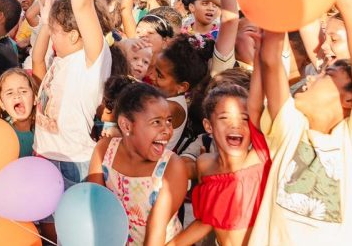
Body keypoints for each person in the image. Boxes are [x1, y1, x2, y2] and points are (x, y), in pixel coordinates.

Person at [250, 0, 352, 244]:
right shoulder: (290, 129)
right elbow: (271, 60)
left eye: (326, 75)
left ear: (349, 98)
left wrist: (347, 1)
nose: (311, 78)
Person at [32, 0, 112, 242]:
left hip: (73, 164)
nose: (50, 37)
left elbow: (82, 4)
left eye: (55, 32)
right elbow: (37, 60)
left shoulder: (91, 61)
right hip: (45, 157)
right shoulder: (60, 60)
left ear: (77, 36)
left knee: (71, 236)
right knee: (49, 235)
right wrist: (48, 8)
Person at [170, 58, 268, 246]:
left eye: (244, 118)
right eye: (224, 117)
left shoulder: (259, 159)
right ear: (208, 125)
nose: (235, 124)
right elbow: (208, 218)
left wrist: (261, 50)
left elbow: (266, 94)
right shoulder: (205, 163)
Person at [87, 81, 188, 245]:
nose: (167, 130)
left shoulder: (172, 167)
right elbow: (96, 206)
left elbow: (156, 234)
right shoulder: (105, 150)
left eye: (168, 120)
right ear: (126, 125)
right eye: (156, 122)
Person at [153, 34, 214, 151]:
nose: (152, 76)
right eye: (155, 69)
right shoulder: (165, 98)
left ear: (182, 86)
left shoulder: (171, 107)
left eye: (160, 75)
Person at [0, 68, 35, 157]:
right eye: (10, 93)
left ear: (35, 98)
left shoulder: (43, 131)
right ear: (2, 104)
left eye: (23, 91)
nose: (17, 96)